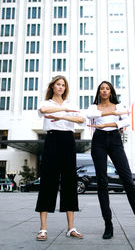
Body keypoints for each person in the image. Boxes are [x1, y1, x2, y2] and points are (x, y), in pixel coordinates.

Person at [86, 81, 135, 241]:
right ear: (99, 92)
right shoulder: (93, 106)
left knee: (128, 181)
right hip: (99, 140)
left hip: (115, 139)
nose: (104, 91)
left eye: (107, 88)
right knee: (102, 183)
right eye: (102, 88)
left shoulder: (118, 105)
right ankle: (108, 224)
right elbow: (89, 115)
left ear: (111, 91)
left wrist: (112, 122)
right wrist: (110, 115)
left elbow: (127, 120)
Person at [35, 75, 84, 241]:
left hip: (68, 140)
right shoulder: (46, 102)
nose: (61, 87)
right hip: (52, 139)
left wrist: (63, 115)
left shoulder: (71, 104)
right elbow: (44, 111)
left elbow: (81, 119)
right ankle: (43, 229)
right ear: (53, 86)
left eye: (63, 85)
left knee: (69, 182)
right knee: (48, 181)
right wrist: (65, 111)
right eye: (58, 84)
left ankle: (71, 228)